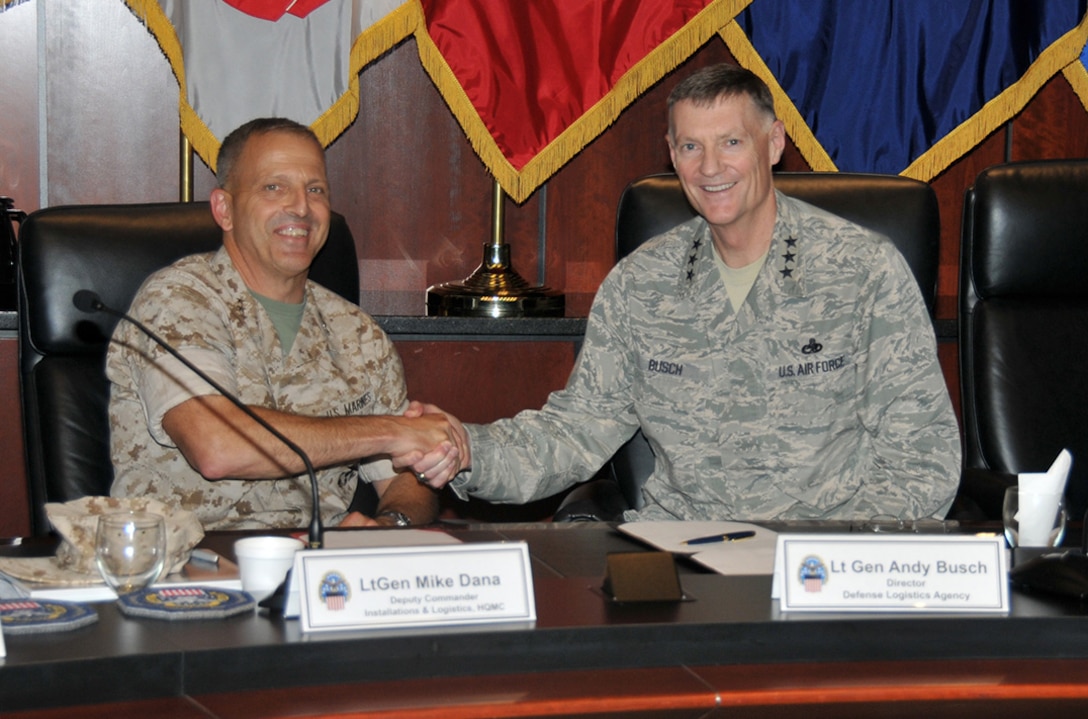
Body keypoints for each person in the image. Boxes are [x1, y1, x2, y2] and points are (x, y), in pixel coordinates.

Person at [415, 63, 961, 521]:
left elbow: (923, 459)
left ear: (772, 144)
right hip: (684, 557)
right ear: (672, 157)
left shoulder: (863, 270)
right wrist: (465, 450)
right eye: (690, 147)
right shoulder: (639, 285)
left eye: (731, 142)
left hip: (819, 561)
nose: (711, 168)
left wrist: (829, 563)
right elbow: (574, 432)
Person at [107, 118, 462, 531]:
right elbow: (216, 448)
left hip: (317, 569)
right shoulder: (178, 299)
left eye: (315, 190)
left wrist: (390, 524)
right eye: (273, 187)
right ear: (224, 209)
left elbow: (404, 475)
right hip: (191, 564)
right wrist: (389, 433)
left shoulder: (359, 334)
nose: (300, 207)